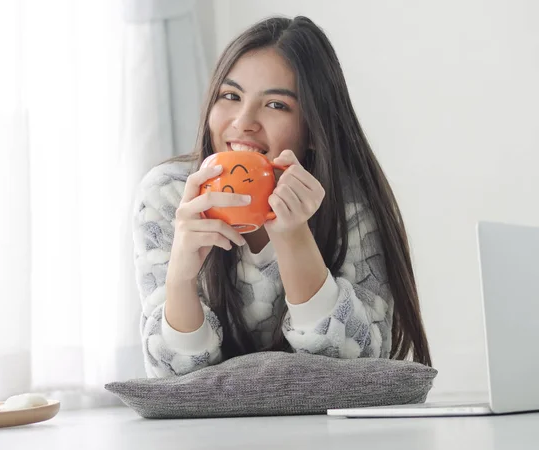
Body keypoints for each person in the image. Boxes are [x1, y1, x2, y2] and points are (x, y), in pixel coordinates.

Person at [133, 16, 432, 378]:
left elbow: (360, 364)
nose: (243, 122)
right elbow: (170, 378)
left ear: (312, 129)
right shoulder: (168, 195)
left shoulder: (348, 203)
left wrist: (293, 236)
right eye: (230, 96)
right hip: (208, 431)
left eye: (276, 105)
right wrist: (181, 275)